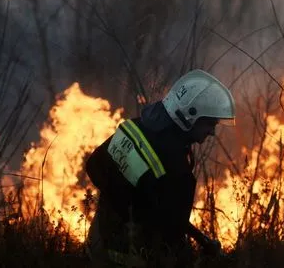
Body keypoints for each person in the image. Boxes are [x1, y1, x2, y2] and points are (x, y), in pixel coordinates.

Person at [85, 69, 235, 267]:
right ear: (190, 116)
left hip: (96, 244)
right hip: (129, 259)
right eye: (210, 123)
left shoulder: (134, 127)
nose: (212, 132)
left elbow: (94, 166)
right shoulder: (177, 171)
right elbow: (171, 242)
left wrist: (129, 201)